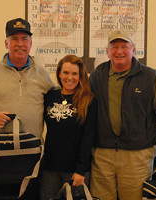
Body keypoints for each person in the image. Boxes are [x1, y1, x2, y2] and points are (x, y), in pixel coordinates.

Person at [89, 29, 156, 200]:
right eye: (114, 47)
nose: (119, 51)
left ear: (133, 50)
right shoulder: (97, 76)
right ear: (107, 51)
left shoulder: (150, 76)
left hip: (137, 156)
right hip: (102, 156)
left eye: (124, 46)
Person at [0, 18, 55, 139]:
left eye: (24, 39)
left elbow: (55, 106)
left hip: (32, 151)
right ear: (6, 43)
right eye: (14, 39)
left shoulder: (42, 74)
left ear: (31, 44)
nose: (20, 44)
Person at [40, 55, 97, 200]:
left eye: (74, 73)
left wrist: (81, 170)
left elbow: (88, 137)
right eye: (65, 72)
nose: (69, 77)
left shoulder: (89, 100)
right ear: (59, 73)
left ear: (80, 76)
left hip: (75, 170)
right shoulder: (50, 96)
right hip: (50, 168)